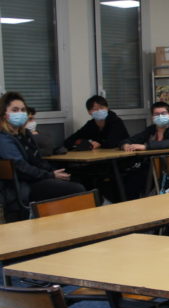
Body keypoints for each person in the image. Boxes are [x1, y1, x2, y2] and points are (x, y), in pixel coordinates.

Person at [0, 92, 85, 221]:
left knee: (79, 179)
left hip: (34, 179)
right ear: (4, 114)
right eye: (15, 110)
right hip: (21, 187)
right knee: (76, 189)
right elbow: (21, 168)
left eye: (23, 110)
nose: (20, 113)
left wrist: (51, 172)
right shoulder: (4, 139)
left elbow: (37, 159)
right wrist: (50, 175)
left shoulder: (25, 135)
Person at [119, 102, 169, 199]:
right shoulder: (151, 130)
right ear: (152, 117)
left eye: (163, 113)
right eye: (156, 114)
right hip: (149, 167)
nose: (160, 116)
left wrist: (146, 146)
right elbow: (131, 139)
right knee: (127, 178)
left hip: (168, 168)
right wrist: (125, 145)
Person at [64, 95, 129, 150]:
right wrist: (80, 142)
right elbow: (68, 141)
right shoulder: (90, 125)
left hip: (120, 156)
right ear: (89, 112)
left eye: (102, 108)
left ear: (107, 108)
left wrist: (98, 143)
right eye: (95, 109)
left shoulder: (116, 121)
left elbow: (111, 143)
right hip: (99, 157)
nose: (99, 111)